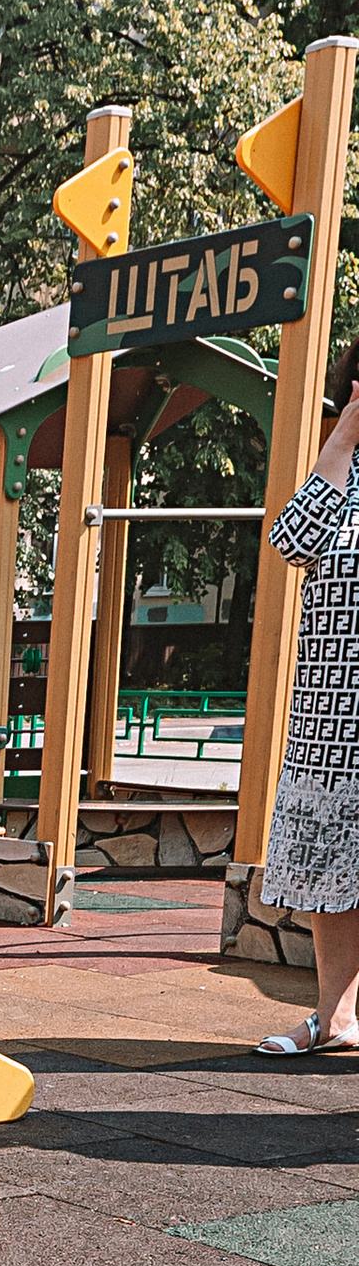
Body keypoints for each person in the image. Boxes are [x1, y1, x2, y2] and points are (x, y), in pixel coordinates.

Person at [251, 334, 359, 1061]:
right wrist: (344, 437)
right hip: (330, 716)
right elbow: (290, 541)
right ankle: (333, 1017)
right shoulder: (343, 475)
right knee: (332, 878)